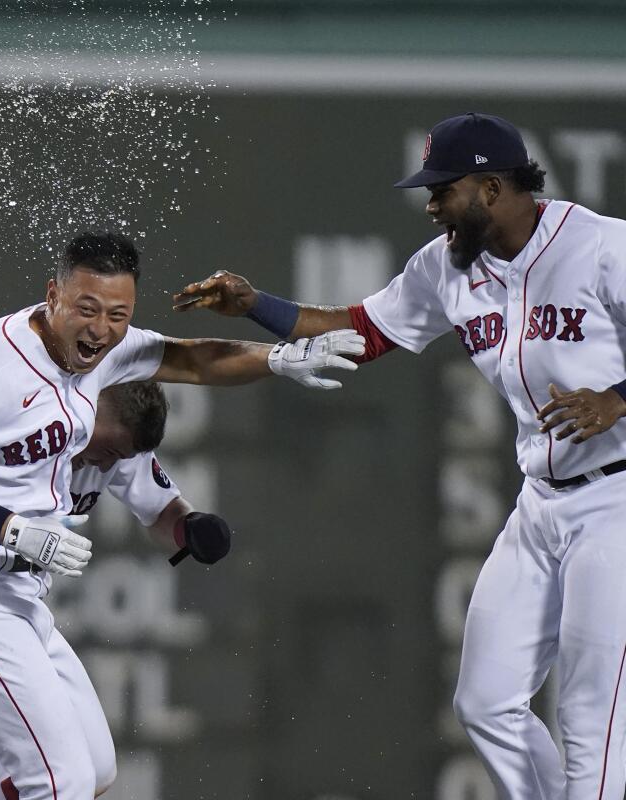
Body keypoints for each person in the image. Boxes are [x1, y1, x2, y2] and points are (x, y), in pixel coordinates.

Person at [174, 111, 626, 798]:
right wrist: (251, 304)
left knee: (592, 716)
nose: (433, 205)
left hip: (616, 503)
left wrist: (616, 400)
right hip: (542, 506)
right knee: (486, 702)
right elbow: (359, 332)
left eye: (444, 189)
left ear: (494, 187)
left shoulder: (600, 246)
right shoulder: (449, 267)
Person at [0, 230, 362, 800]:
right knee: (57, 780)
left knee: (91, 771)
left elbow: (190, 359)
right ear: (53, 295)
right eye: (86, 309)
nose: (101, 329)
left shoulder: (107, 355)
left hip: (17, 602)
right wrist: (12, 529)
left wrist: (277, 357)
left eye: (118, 314)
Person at [0, 380, 229, 799]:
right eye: (109, 450)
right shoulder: (17, 415)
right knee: (17, 783)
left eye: (120, 456)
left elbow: (162, 509)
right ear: (86, 404)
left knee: (95, 769)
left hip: (23, 603)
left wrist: (189, 526)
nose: (106, 465)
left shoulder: (113, 445)